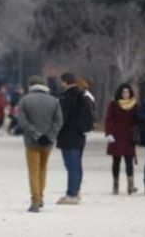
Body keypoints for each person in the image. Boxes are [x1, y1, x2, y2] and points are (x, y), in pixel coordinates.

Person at [17, 75, 63, 213]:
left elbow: (23, 122)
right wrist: (49, 136)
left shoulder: (25, 100)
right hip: (48, 143)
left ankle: (35, 200)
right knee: (43, 169)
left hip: (31, 142)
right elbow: (58, 122)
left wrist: (36, 135)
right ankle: (41, 196)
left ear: (30, 85)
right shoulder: (54, 101)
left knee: (33, 170)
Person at [56, 72, 93, 205]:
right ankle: (76, 191)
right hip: (79, 135)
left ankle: (71, 194)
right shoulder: (82, 95)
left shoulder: (67, 97)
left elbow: (62, 117)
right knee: (76, 165)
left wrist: (56, 129)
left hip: (68, 134)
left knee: (71, 166)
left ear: (65, 82)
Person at [104, 82, 138, 195]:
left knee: (129, 160)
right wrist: (109, 133)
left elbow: (138, 119)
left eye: (127, 91)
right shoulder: (114, 104)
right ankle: (115, 184)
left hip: (129, 135)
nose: (125, 94)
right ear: (120, 92)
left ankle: (130, 184)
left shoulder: (135, 104)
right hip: (116, 135)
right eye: (123, 92)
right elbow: (109, 119)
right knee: (116, 161)